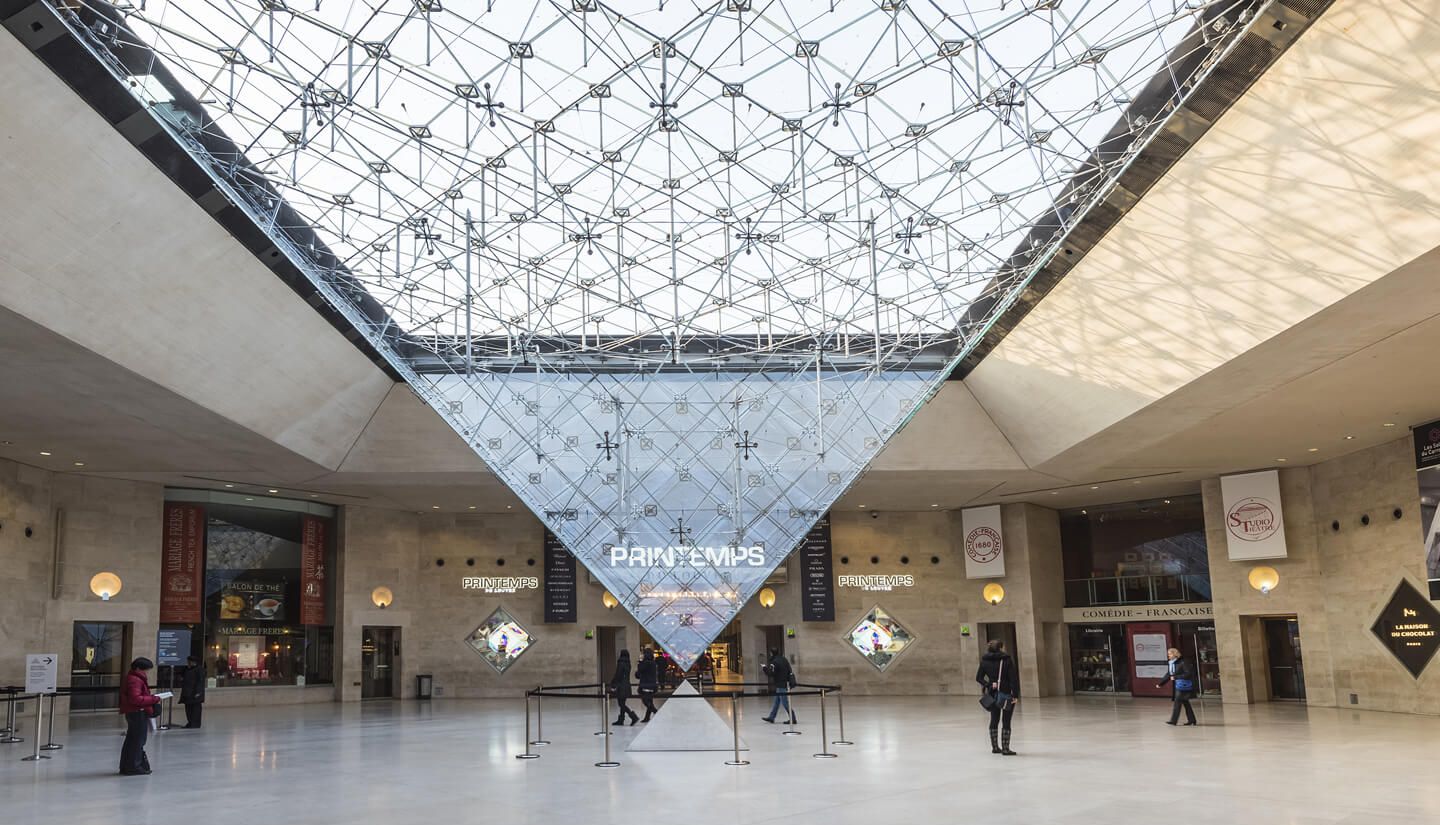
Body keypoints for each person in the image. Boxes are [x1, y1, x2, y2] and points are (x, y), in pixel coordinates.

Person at [975, 640, 1019, 756]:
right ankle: (1005, 748)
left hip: (993, 693)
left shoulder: (985, 660)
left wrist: (989, 684)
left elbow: (978, 678)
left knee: (994, 719)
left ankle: (995, 747)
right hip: (1006, 693)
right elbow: (1013, 679)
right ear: (1001, 648)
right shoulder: (1006, 660)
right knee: (1006, 720)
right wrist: (1015, 695)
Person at [119, 657, 161, 776]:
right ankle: (133, 766)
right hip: (137, 712)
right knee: (137, 741)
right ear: (138, 668)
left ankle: (128, 766)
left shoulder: (133, 678)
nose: (146, 673)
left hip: (134, 712)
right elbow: (135, 698)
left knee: (132, 740)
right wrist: (154, 698)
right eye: (145, 670)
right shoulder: (135, 680)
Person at [1156, 647, 1198, 726]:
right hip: (1179, 685)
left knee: (1177, 702)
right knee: (1185, 703)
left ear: (1175, 654)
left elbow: (1188, 673)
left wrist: (1176, 677)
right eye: (1168, 654)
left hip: (1184, 685)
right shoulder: (1172, 663)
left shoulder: (1183, 662)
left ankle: (1173, 721)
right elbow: (1169, 674)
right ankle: (1192, 720)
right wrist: (1161, 683)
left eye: (1170, 654)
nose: (1168, 655)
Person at [761, 648, 797, 725]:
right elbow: (789, 670)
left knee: (785, 703)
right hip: (784, 683)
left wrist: (764, 668)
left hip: (781, 685)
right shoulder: (784, 659)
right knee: (776, 702)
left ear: (771, 653)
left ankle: (793, 718)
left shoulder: (774, 662)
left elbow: (770, 673)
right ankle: (771, 717)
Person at [610, 649, 638, 726]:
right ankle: (621, 719)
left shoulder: (620, 663)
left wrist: (613, 683)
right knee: (622, 703)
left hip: (621, 686)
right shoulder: (628, 663)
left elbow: (618, 675)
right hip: (627, 685)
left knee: (621, 704)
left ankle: (633, 716)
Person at [635, 647, 660, 722]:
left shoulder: (645, 663)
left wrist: (639, 664)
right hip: (652, 685)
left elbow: (638, 674)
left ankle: (656, 712)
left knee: (645, 701)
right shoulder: (653, 663)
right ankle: (647, 717)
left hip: (645, 685)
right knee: (650, 701)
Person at [180, 656, 205, 729]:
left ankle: (195, 724)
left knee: (195, 710)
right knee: (188, 710)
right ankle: (190, 722)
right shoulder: (187, 669)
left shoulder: (199, 669)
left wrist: (198, 692)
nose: (188, 663)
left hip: (195, 694)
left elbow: (200, 681)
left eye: (189, 661)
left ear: (193, 662)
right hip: (187, 693)